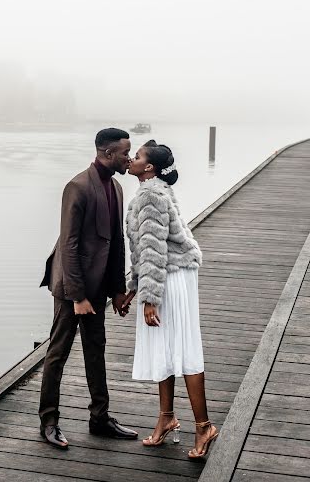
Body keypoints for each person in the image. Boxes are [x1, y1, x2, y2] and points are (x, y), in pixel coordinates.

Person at [39, 128, 138, 448]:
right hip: (72, 285)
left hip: (99, 285)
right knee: (58, 352)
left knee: (96, 350)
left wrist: (118, 289)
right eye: (125, 153)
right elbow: (68, 245)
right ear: (108, 154)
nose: (129, 157)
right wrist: (78, 296)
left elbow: (115, 242)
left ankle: (99, 418)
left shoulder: (118, 188)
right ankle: (49, 422)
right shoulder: (77, 187)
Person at [124, 140, 218, 458]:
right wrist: (133, 287)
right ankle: (166, 418)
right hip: (167, 272)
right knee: (164, 345)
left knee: (184, 346)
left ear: (148, 167)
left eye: (136, 157)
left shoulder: (151, 193)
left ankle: (204, 425)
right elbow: (145, 248)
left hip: (172, 276)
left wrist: (149, 297)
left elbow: (154, 249)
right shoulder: (154, 187)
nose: (131, 159)